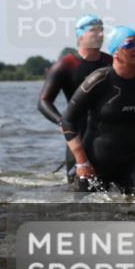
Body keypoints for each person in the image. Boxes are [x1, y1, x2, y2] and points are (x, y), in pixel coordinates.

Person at [61, 26, 135, 197]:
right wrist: (81, 161)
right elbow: (67, 120)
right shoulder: (99, 79)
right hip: (95, 163)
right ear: (115, 52)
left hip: (130, 161)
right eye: (130, 44)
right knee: (83, 216)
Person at [38, 14, 113, 181]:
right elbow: (43, 101)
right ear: (80, 35)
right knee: (79, 192)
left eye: (102, 30)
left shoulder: (111, 62)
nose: (100, 34)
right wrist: (61, 122)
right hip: (77, 136)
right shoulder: (66, 64)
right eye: (94, 30)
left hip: (107, 135)